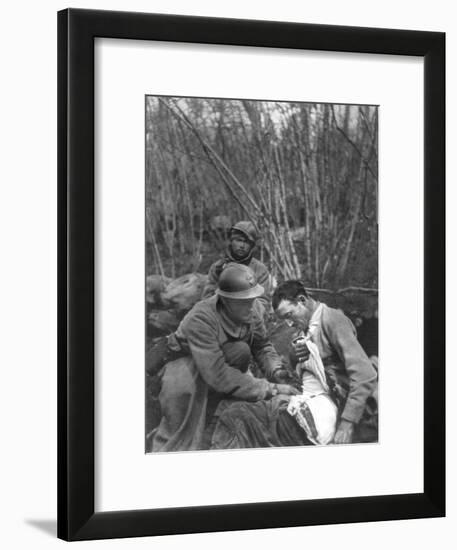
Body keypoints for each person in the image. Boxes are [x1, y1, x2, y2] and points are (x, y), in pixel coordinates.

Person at [211, 280, 378, 449]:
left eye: (289, 315)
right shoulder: (306, 328)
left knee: (238, 417)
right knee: (232, 412)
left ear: (302, 301)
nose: (289, 324)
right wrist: (297, 357)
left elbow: (365, 374)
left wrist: (347, 422)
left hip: (326, 407)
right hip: (307, 398)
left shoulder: (332, 320)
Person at [151, 264, 299, 452]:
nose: (251, 304)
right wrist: (271, 388)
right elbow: (218, 374)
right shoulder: (200, 317)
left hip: (215, 359)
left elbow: (261, 345)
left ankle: (216, 402)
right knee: (182, 394)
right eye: (244, 300)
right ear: (225, 300)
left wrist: (276, 371)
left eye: (252, 298)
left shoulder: (250, 310)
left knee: (241, 351)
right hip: (181, 360)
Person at [201, 221, 273, 311]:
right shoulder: (217, 267)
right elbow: (207, 299)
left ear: (252, 246)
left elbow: (263, 302)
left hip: (249, 318)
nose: (242, 246)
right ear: (231, 241)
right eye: (239, 240)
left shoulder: (260, 269)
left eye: (247, 242)